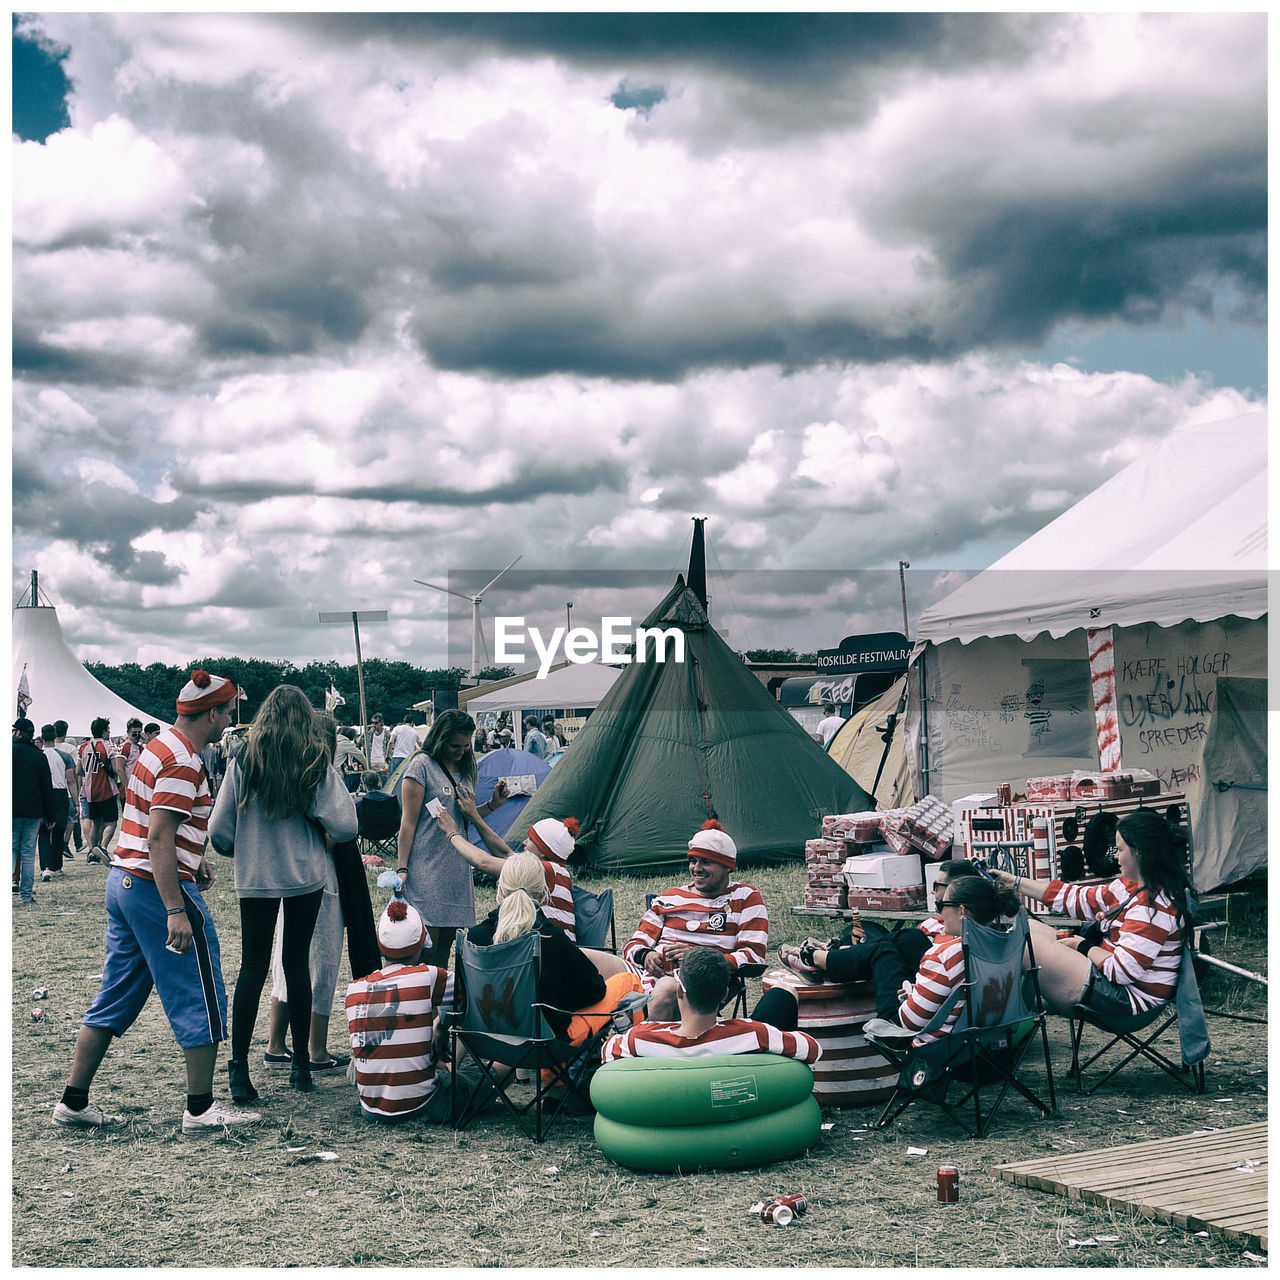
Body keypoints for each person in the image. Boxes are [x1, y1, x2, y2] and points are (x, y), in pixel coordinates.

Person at [52, 669, 259, 1132]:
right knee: (199, 989)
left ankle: (74, 1100)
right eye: (227, 711)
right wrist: (174, 908)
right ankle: (201, 1109)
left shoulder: (158, 747)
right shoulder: (185, 761)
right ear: (211, 713)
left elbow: (150, 822)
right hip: (152, 887)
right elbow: (160, 837)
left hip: (124, 881)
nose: (229, 718)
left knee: (115, 995)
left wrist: (193, 857)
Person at [208, 685, 358, 1101]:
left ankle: (239, 1069)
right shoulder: (314, 762)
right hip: (304, 876)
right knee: (297, 965)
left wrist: (245, 847)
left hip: (255, 876)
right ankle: (301, 1069)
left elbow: (218, 831)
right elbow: (346, 825)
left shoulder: (244, 761)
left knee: (252, 967)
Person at [990, 809, 1189, 1018]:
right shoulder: (1132, 886)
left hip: (1128, 1003)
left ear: (1138, 852)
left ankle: (1002, 1011)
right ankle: (1013, 1007)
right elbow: (1076, 898)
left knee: (1029, 944)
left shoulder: (1152, 909)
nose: (1115, 856)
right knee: (1027, 928)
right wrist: (1014, 882)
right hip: (1117, 986)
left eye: (1120, 849)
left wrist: (1082, 946)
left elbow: (1121, 972)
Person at [346, 895, 493, 1123]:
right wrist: (442, 1028)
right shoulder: (431, 976)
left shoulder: (353, 989)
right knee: (496, 1071)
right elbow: (468, 997)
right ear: (421, 945)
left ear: (380, 943)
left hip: (371, 1109)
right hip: (426, 1104)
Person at [779, 859, 983, 1021]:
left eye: (938, 887)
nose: (932, 891)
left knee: (892, 947)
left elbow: (917, 1015)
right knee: (893, 943)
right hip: (929, 998)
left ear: (959, 901)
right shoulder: (989, 942)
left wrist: (913, 991)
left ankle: (817, 958)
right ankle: (835, 953)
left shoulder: (949, 951)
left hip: (900, 1023)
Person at [467, 853, 637, 1042]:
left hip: (488, 1038)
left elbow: (464, 996)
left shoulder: (474, 938)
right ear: (543, 893)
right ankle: (630, 1051)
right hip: (547, 1043)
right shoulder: (550, 938)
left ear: (500, 889)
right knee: (628, 981)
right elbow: (593, 992)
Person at [393, 708, 509, 971]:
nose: (461, 751)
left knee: (445, 954)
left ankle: (437, 1008)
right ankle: (419, 1003)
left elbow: (464, 819)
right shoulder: (421, 767)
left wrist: (493, 804)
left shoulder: (467, 769)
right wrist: (402, 869)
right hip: (427, 870)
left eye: (466, 746)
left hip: (457, 870)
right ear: (441, 739)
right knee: (424, 950)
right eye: (455, 745)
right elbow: (408, 823)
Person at [623, 820, 769, 1020]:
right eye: (693, 861)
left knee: (667, 988)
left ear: (727, 866)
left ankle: (644, 1045)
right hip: (644, 974)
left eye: (705, 862)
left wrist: (701, 959)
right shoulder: (669, 898)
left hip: (695, 982)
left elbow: (753, 956)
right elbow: (634, 944)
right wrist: (645, 956)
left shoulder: (745, 897)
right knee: (589, 959)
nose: (696, 868)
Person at [602, 946, 821, 1062]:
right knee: (783, 991)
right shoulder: (753, 1034)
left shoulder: (638, 1038)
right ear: (725, 994)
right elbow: (812, 1049)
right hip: (735, 1071)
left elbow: (607, 1053)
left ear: (679, 991)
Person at [885, 875, 1023, 1046]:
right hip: (991, 1041)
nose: (940, 913)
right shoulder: (1006, 945)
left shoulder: (944, 956)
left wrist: (912, 998)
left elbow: (910, 1022)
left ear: (961, 910)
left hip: (947, 1049)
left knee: (883, 957)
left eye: (942, 905)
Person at [13, 718, 55, 906]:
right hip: (32, 810)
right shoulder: (39, 756)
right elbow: (47, 787)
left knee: (11, 850)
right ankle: (26, 895)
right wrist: (50, 814)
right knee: (29, 853)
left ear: (18, 732)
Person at [79, 717, 126, 864]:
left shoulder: (84, 746)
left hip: (89, 791)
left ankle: (92, 852)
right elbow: (114, 769)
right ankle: (103, 847)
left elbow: (79, 770)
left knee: (96, 823)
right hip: (106, 789)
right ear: (104, 731)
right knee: (111, 822)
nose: (109, 732)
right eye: (108, 730)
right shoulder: (108, 746)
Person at [38, 724, 73, 881]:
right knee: (59, 829)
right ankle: (56, 866)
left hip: (42, 794)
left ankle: (45, 866)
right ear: (55, 736)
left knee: (43, 830)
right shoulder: (65, 756)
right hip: (60, 793)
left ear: (42, 737)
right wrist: (76, 801)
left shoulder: (38, 755)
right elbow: (71, 780)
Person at [386, 712, 421, 781]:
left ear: (404, 721)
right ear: (412, 723)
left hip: (397, 758)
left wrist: (387, 755)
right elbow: (421, 747)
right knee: (405, 782)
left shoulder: (397, 728)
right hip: (408, 760)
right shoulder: (415, 732)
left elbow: (391, 742)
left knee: (391, 782)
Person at [334, 726, 368, 793]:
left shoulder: (335, 741)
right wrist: (367, 767)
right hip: (337, 772)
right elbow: (360, 755)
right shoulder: (345, 743)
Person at [365, 712, 390, 783]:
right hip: (371, 761)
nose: (374, 725)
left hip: (383, 761)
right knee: (372, 782)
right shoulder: (369, 733)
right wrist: (366, 730)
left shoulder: (387, 734)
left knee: (384, 781)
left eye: (376, 723)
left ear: (381, 723)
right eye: (372, 722)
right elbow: (359, 742)